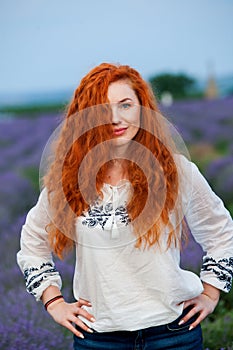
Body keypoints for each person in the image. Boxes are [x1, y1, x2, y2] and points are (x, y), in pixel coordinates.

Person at [17, 62, 233, 350]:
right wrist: (54, 301)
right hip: (98, 339)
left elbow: (221, 232)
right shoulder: (68, 182)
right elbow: (32, 244)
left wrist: (210, 293)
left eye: (126, 105)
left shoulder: (176, 172)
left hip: (173, 335)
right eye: (103, 109)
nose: (116, 118)